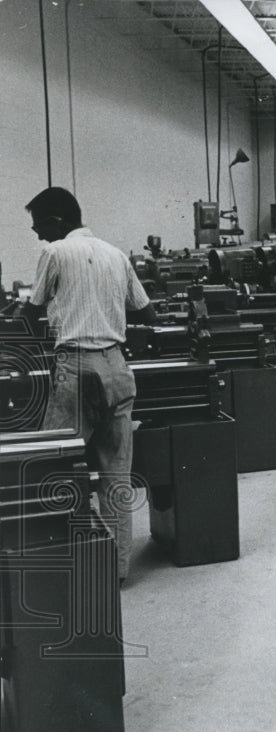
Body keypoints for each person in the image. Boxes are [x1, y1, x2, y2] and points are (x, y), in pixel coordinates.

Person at [21, 187, 158, 584]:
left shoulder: (55, 252)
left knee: (55, 466)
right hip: (117, 367)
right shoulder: (116, 254)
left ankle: (62, 564)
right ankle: (115, 570)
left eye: (40, 227)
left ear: (59, 222)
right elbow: (146, 311)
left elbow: (31, 316)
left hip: (76, 367)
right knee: (117, 475)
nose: (39, 236)